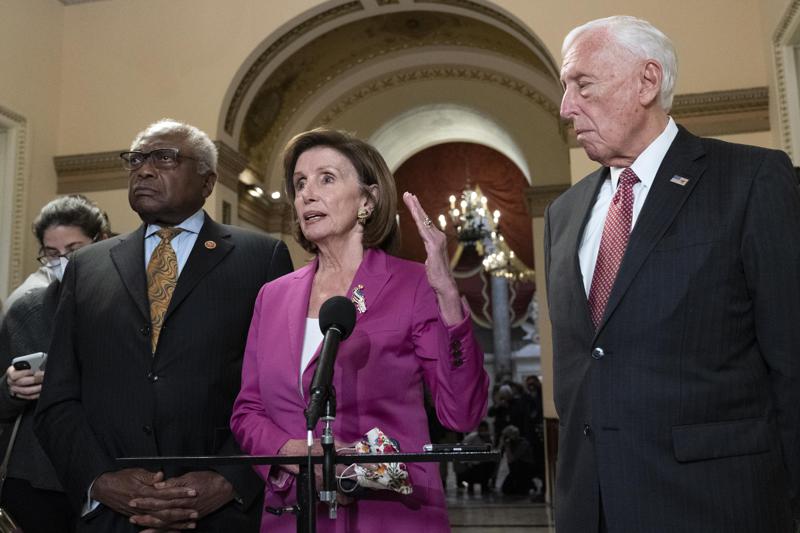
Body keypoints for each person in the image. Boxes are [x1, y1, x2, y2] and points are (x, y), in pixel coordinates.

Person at [545, 15, 800, 533]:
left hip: (717, 505)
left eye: (583, 85)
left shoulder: (750, 180)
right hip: (590, 508)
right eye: (566, 88)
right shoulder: (563, 213)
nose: (566, 106)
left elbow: (792, 359)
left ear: (647, 81)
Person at [34, 119, 294, 532]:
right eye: (136, 160)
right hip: (113, 515)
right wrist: (99, 480)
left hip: (219, 514)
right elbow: (59, 397)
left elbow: (280, 391)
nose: (145, 170)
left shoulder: (260, 258)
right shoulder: (88, 266)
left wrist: (229, 479)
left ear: (208, 182)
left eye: (165, 158)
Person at [230, 128, 489, 532]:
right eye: (300, 183)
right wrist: (298, 454)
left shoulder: (412, 284)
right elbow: (247, 411)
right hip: (295, 514)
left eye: (326, 178)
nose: (307, 194)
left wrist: (449, 300)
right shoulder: (272, 296)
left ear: (367, 200)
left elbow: (460, 412)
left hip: (390, 514)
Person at [0, 194, 110, 533]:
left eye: (74, 250)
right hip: (36, 476)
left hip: (108, 470)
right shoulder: (26, 310)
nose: (62, 261)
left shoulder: (125, 306)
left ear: (102, 243)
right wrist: (11, 389)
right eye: (51, 253)